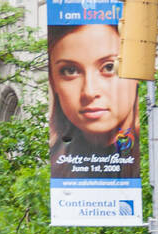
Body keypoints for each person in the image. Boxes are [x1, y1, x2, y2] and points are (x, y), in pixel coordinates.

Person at [48, 24, 140, 181]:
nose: (89, 92)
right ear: (53, 82)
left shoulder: (155, 154)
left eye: (109, 67)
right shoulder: (54, 166)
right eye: (70, 71)